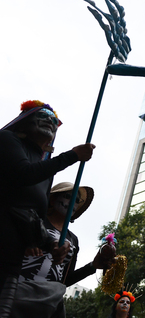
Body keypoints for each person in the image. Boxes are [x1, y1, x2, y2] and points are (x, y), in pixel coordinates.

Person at [0, 100, 95, 317]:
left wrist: (50, 243)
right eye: (43, 115)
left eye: (55, 120)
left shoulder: (45, 173)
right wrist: (72, 156)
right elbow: (23, 173)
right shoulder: (7, 139)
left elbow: (36, 218)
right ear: (24, 121)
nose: (50, 121)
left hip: (11, 271)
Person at [10, 182, 114, 317]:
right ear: (52, 200)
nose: (73, 203)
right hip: (16, 292)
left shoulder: (73, 240)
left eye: (77, 201)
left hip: (47, 302)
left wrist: (92, 266)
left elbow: (65, 280)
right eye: (68, 197)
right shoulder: (34, 222)